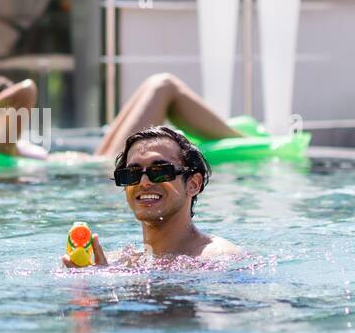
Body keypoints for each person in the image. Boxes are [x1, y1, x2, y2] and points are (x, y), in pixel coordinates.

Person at [64, 125, 241, 267]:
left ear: (193, 184)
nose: (144, 182)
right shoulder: (118, 262)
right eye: (132, 174)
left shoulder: (217, 257)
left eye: (160, 171)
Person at [94, 72, 244, 160]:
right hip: (111, 169)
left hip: (100, 165)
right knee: (164, 85)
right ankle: (242, 140)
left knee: (154, 83)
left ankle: (238, 137)